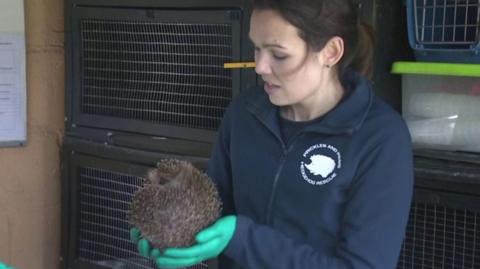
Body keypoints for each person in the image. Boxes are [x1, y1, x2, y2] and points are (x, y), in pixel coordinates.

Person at [130, 0, 414, 268]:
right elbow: (211, 208)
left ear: (331, 52)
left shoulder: (381, 138)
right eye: (256, 48)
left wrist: (243, 239)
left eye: (278, 55)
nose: (260, 67)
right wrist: (164, 223)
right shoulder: (244, 114)